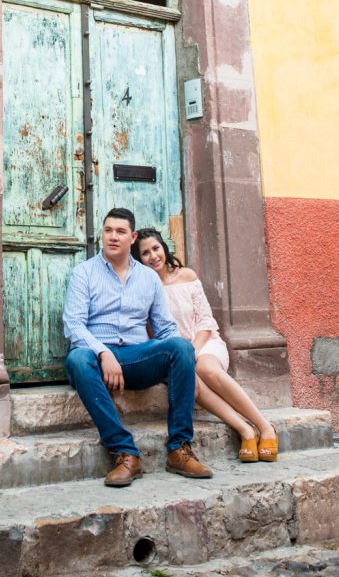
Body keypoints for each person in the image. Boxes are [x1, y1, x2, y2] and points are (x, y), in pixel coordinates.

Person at [62, 207, 213, 487]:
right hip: (96, 358)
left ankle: (179, 449)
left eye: (120, 232)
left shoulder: (148, 278)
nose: (113, 237)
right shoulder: (83, 273)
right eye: (108, 230)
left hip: (136, 357)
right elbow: (74, 325)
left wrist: (185, 359)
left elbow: (165, 327)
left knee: (180, 347)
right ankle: (125, 452)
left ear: (132, 237)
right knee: (78, 359)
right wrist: (103, 353)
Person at [131, 227, 278, 464]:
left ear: (164, 248)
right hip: (175, 355)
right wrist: (181, 356)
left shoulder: (187, 276)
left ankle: (266, 427)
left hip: (205, 343)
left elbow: (206, 321)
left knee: (206, 369)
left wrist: (194, 351)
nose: (153, 256)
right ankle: (245, 430)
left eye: (156, 248)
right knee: (194, 386)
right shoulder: (145, 289)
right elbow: (151, 335)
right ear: (139, 259)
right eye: (145, 253)